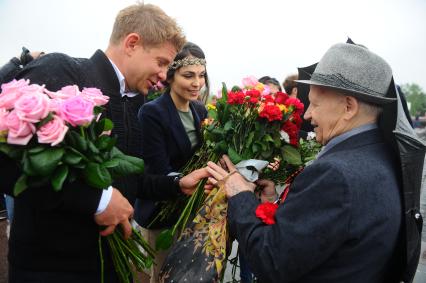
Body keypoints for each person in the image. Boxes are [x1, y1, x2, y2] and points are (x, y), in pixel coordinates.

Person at [0, 4, 210, 283]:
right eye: (161, 62)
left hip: (106, 267)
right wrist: (97, 201)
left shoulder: (133, 101)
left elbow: (131, 181)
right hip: (52, 269)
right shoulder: (62, 70)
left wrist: (176, 184)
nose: (163, 76)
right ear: (132, 43)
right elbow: (9, 166)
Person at [207, 43, 404, 282]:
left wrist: (240, 195)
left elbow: (271, 261)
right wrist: (274, 204)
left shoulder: (335, 174)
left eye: (315, 104)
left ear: (349, 107)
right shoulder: (381, 155)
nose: (308, 115)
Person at [134, 42, 208, 282]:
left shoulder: (200, 111)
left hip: (193, 214)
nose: (196, 83)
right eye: (189, 75)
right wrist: (184, 182)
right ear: (170, 76)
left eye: (201, 75)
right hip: (163, 215)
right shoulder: (152, 113)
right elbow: (157, 170)